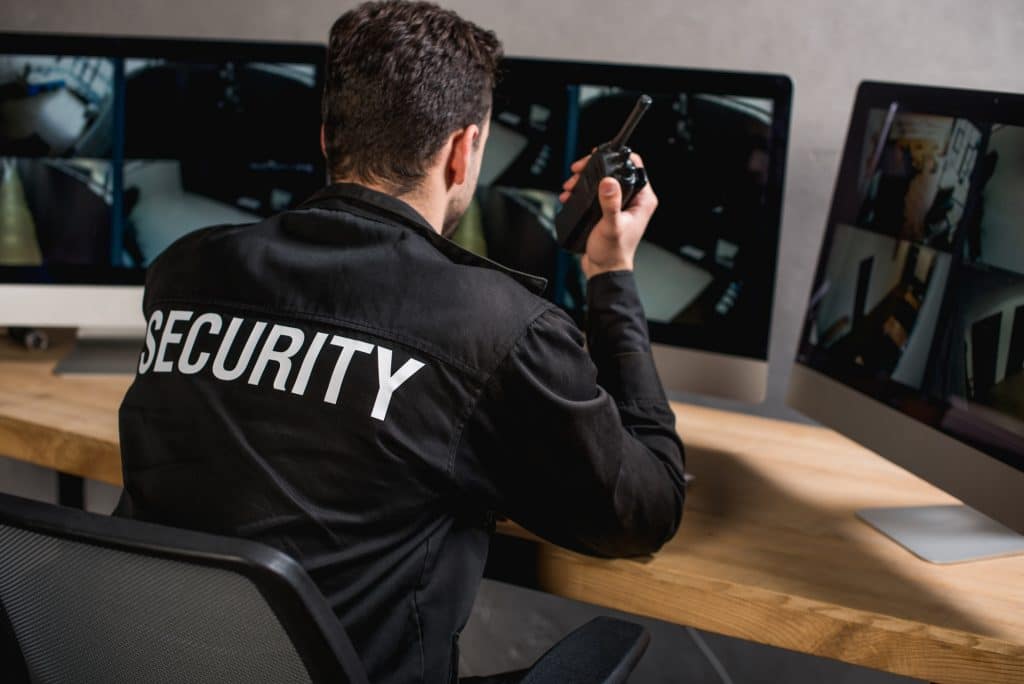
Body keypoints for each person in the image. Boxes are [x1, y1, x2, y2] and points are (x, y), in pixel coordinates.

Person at [116, 2, 686, 682]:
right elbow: (645, 510)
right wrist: (610, 275)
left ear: (328, 137)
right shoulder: (496, 325)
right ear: (462, 151)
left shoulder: (182, 270)